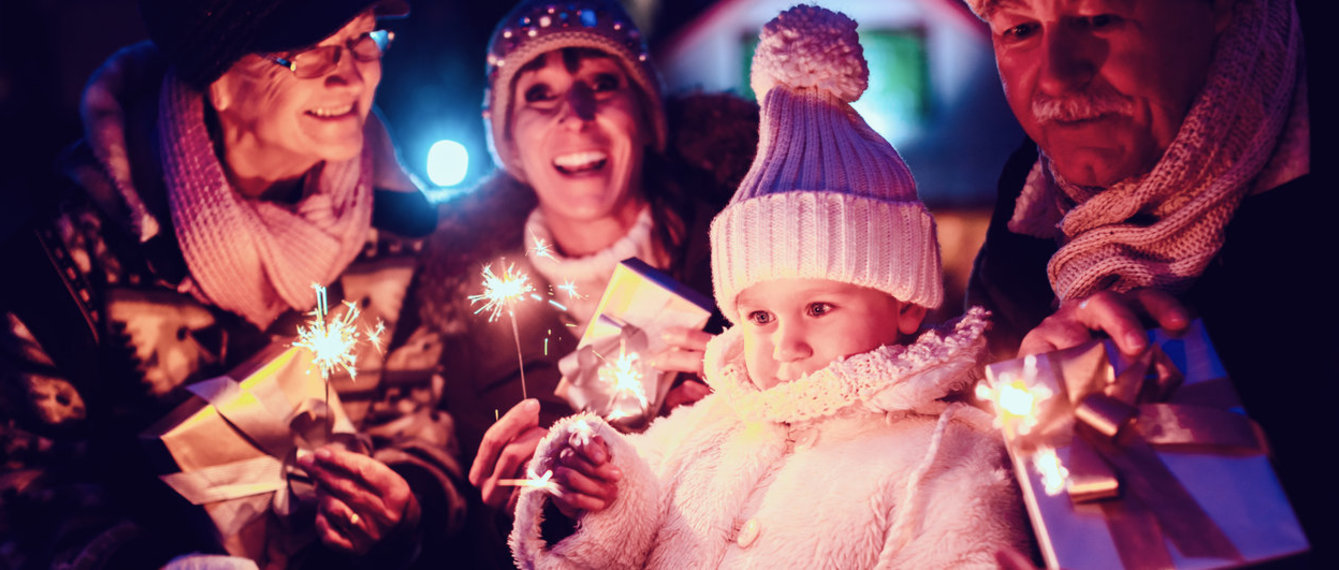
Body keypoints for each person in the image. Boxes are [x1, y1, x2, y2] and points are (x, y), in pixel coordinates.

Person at [506, 6, 1025, 568]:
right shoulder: (705, 426)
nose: (786, 346)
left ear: (906, 304)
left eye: (820, 307)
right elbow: (630, 523)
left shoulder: (948, 456)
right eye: (760, 318)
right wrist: (606, 489)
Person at [0, 0, 464, 567]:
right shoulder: (73, 260)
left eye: (364, 38)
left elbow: (420, 431)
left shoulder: (395, 232)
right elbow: (26, 486)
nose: (351, 72)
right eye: (312, 50)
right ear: (217, 78)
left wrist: (402, 506)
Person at [961, 0, 1335, 562]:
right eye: (1019, 29)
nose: (1057, 74)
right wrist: (1034, 390)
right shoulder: (1032, 197)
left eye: (1099, 17)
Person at [396, 0, 752, 566]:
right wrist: (527, 511)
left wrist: (754, 404)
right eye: (538, 93)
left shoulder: (750, 258)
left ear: (645, 115)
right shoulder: (473, 317)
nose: (575, 113)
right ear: (508, 138)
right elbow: (482, 549)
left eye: (603, 82)